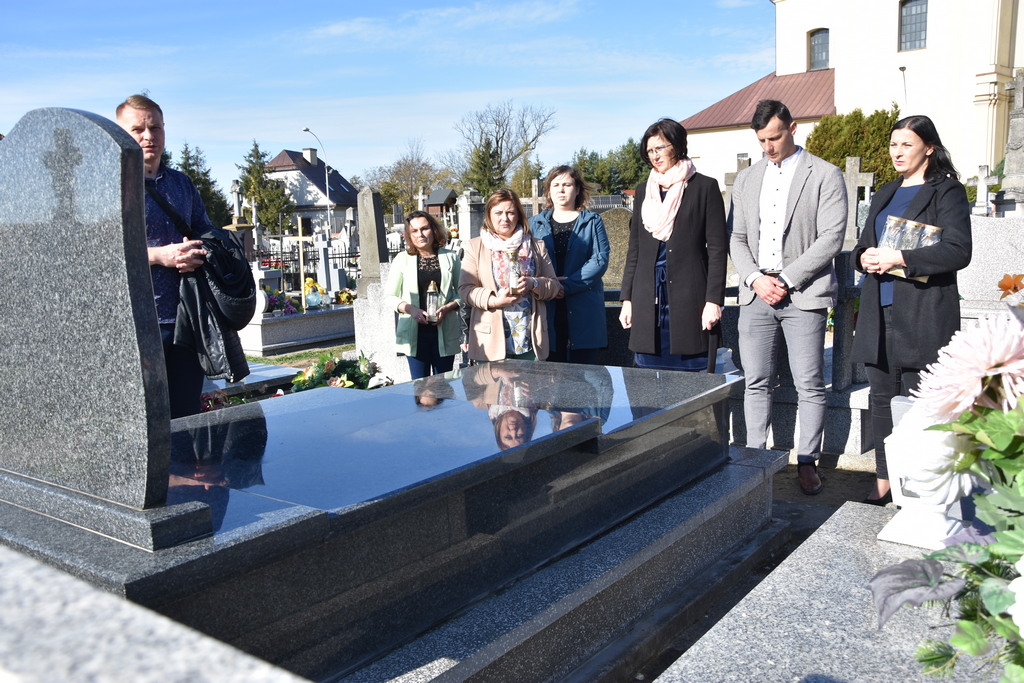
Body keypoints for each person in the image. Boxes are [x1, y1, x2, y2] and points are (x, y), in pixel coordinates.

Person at [729, 99, 847, 496]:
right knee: (756, 381)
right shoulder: (747, 179)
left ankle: (808, 461)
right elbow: (737, 237)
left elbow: (831, 237)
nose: (768, 147)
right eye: (761, 140)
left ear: (793, 129)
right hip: (756, 294)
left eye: (775, 138)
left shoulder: (825, 174)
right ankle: (755, 459)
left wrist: (787, 278)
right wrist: (754, 278)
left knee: (809, 383)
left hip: (804, 294)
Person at [852, 115, 971, 505]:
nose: (897, 152)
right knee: (881, 399)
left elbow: (958, 251)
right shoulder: (886, 192)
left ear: (929, 148)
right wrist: (863, 257)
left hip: (922, 312)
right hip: (879, 310)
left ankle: (921, 485)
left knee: (919, 402)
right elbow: (864, 244)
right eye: (893, 144)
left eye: (907, 144)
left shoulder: (946, 191)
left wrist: (900, 257)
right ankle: (884, 479)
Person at [117, 94, 212, 418]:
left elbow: (206, 232)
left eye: (155, 127)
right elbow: (100, 252)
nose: (148, 136)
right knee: (142, 421)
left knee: (185, 418)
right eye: (137, 129)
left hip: (187, 319)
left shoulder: (181, 184)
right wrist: (160, 255)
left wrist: (197, 252)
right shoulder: (110, 186)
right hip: (137, 323)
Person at [619, 119, 727, 372]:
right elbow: (635, 249)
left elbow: (717, 250)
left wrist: (713, 301)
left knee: (693, 381)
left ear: (677, 146)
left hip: (690, 299)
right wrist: (627, 299)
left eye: (660, 148)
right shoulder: (644, 190)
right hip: (648, 299)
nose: (654, 156)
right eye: (649, 150)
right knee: (646, 385)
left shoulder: (704, 187)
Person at [458, 188, 562, 361]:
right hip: (490, 340)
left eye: (510, 212)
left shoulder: (536, 246)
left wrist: (534, 283)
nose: (504, 218)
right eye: (498, 213)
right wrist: (494, 300)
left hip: (530, 337)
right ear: (489, 215)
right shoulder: (474, 247)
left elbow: (554, 286)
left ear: (519, 215)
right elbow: (465, 290)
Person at [530, 166, 610, 364]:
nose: (561, 189)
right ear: (549, 190)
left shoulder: (592, 221)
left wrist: (566, 286)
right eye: (556, 185)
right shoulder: (534, 224)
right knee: (550, 374)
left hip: (583, 304)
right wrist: (549, 287)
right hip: (547, 306)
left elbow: (599, 259)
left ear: (577, 189)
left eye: (567, 185)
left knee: (585, 374)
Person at [385, 211, 462, 379]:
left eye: (424, 228)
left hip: (443, 332)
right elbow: (390, 296)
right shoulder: (401, 259)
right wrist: (410, 309)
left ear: (433, 230)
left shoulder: (451, 258)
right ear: (409, 235)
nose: (420, 234)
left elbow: (463, 293)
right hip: (414, 334)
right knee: (420, 387)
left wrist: (448, 307)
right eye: (414, 230)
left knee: (445, 385)